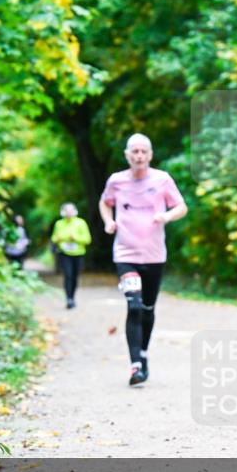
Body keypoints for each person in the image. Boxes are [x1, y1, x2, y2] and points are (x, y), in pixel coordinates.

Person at [99, 133, 188, 386]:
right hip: (125, 254)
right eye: (134, 151)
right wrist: (109, 222)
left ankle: (144, 354)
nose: (139, 156)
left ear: (150, 155)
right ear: (127, 155)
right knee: (134, 306)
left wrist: (166, 217)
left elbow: (181, 206)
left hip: (154, 255)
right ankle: (135, 365)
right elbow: (104, 203)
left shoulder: (162, 179)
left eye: (143, 152)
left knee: (148, 309)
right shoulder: (116, 181)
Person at [50, 202, 91, 309]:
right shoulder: (59, 224)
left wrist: (75, 238)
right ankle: (68, 299)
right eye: (67, 211)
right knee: (68, 275)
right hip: (64, 253)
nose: (69, 213)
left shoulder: (81, 223)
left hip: (78, 253)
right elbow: (54, 238)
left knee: (74, 276)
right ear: (63, 212)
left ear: (75, 212)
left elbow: (87, 239)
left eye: (71, 211)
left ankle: (72, 297)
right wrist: (59, 238)